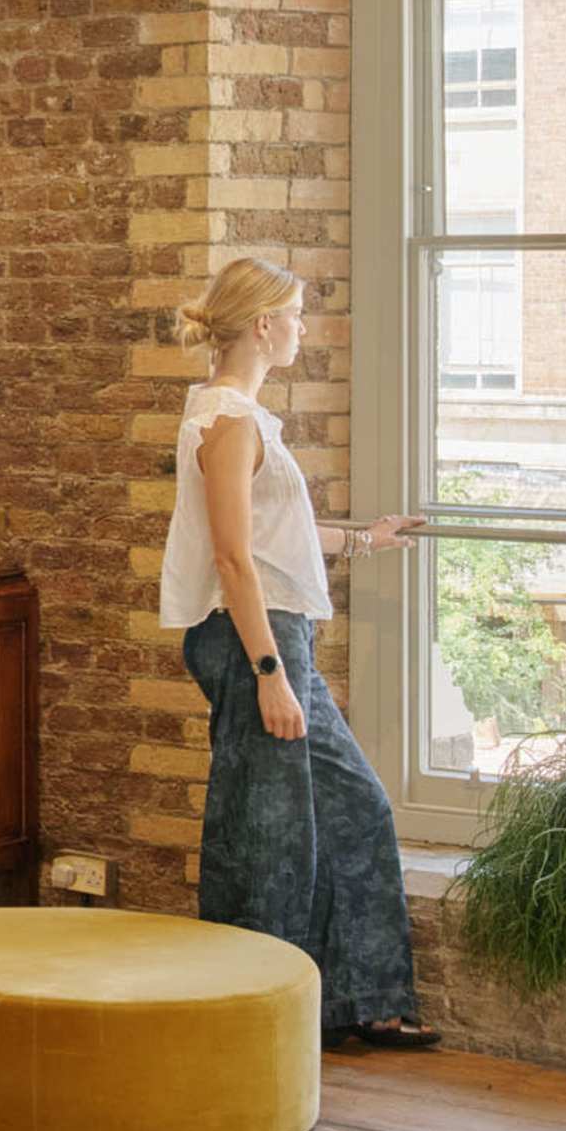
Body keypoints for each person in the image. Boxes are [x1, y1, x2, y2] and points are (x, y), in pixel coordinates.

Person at [160, 254, 436, 1049]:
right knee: (268, 841)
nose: (304, 328)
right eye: (297, 314)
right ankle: (247, 1022)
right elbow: (234, 560)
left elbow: (270, 539)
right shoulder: (228, 420)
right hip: (258, 643)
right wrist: (271, 675)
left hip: (279, 637)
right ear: (262, 326)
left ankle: (357, 1001)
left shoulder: (236, 415)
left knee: (354, 810)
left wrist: (362, 540)